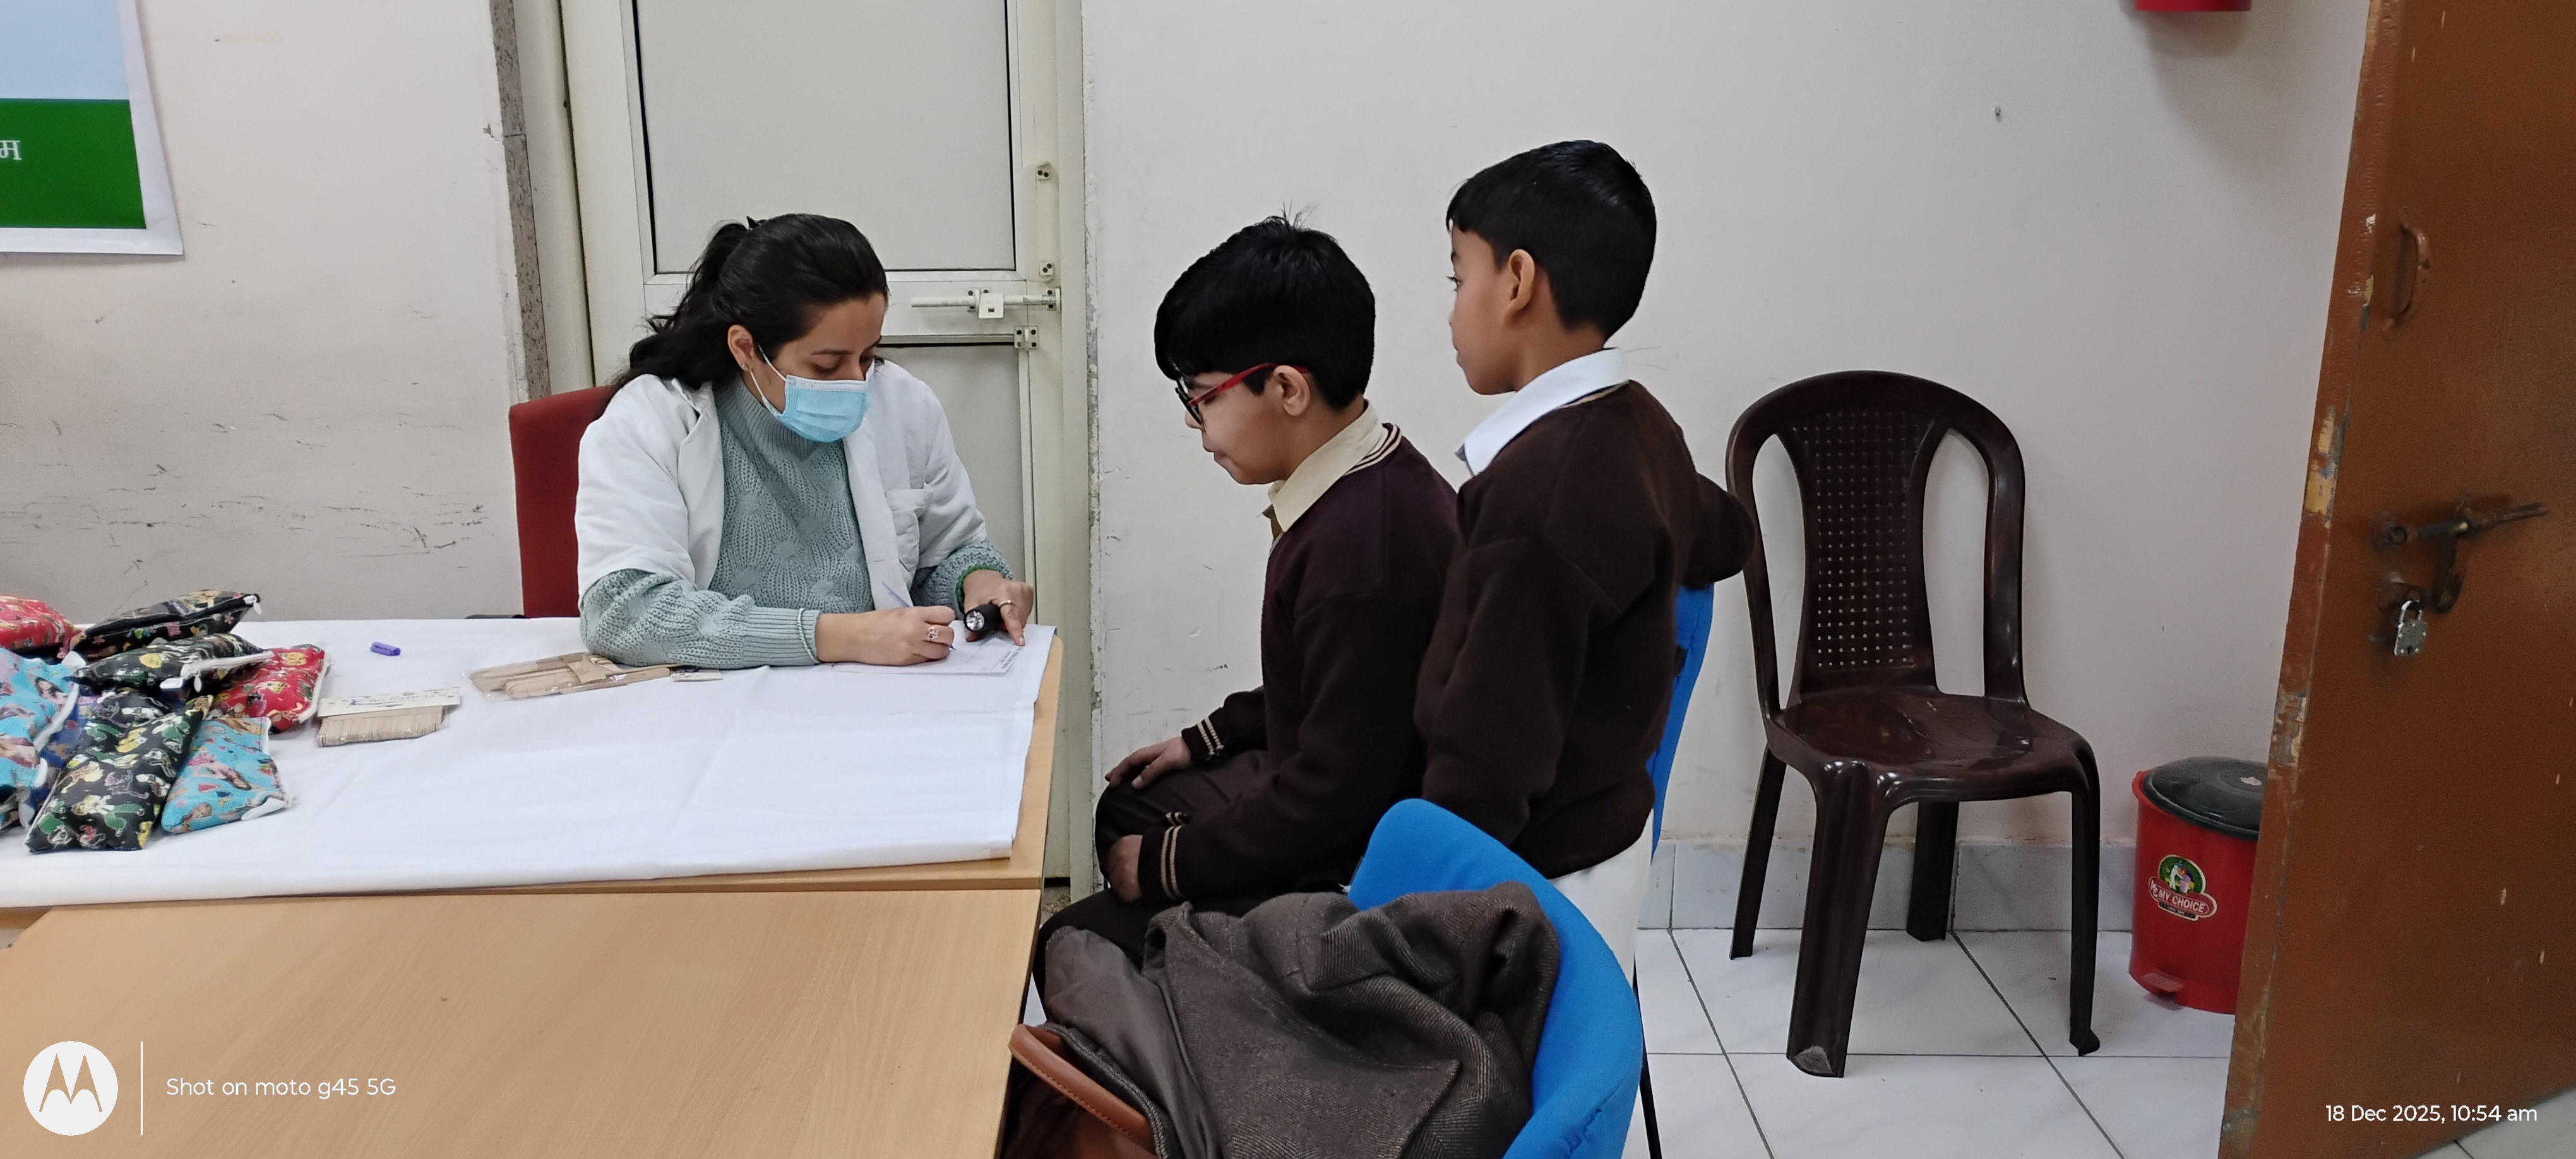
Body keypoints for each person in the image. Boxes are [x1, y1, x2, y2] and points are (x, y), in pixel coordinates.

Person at [1037, 217, 1460, 975]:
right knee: (1128, 807)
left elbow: (1332, 798)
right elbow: (1333, 688)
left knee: (1074, 946)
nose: (1193, 421)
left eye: (1203, 396)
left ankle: (1219, 997)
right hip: (1333, 786)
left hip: (1353, 867)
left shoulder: (1366, 553)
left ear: (1288, 388)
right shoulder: (1365, 480)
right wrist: (1206, 739)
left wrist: (1168, 866)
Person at [1417, 141, 1751, 975]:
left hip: (1530, 890)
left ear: (1517, 282)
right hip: (1609, 851)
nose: (1451, 313)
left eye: (1458, 279)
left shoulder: (1541, 498)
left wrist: (1416, 928)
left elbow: (1487, 764)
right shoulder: (1639, 426)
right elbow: (1724, 534)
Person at [574, 214, 1035, 669]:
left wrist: (978, 580)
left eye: (867, 356)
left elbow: (945, 553)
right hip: (718, 696)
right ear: (745, 349)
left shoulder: (903, 403)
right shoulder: (651, 420)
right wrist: (839, 637)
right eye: (827, 365)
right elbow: (622, 610)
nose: (856, 382)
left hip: (876, 690)